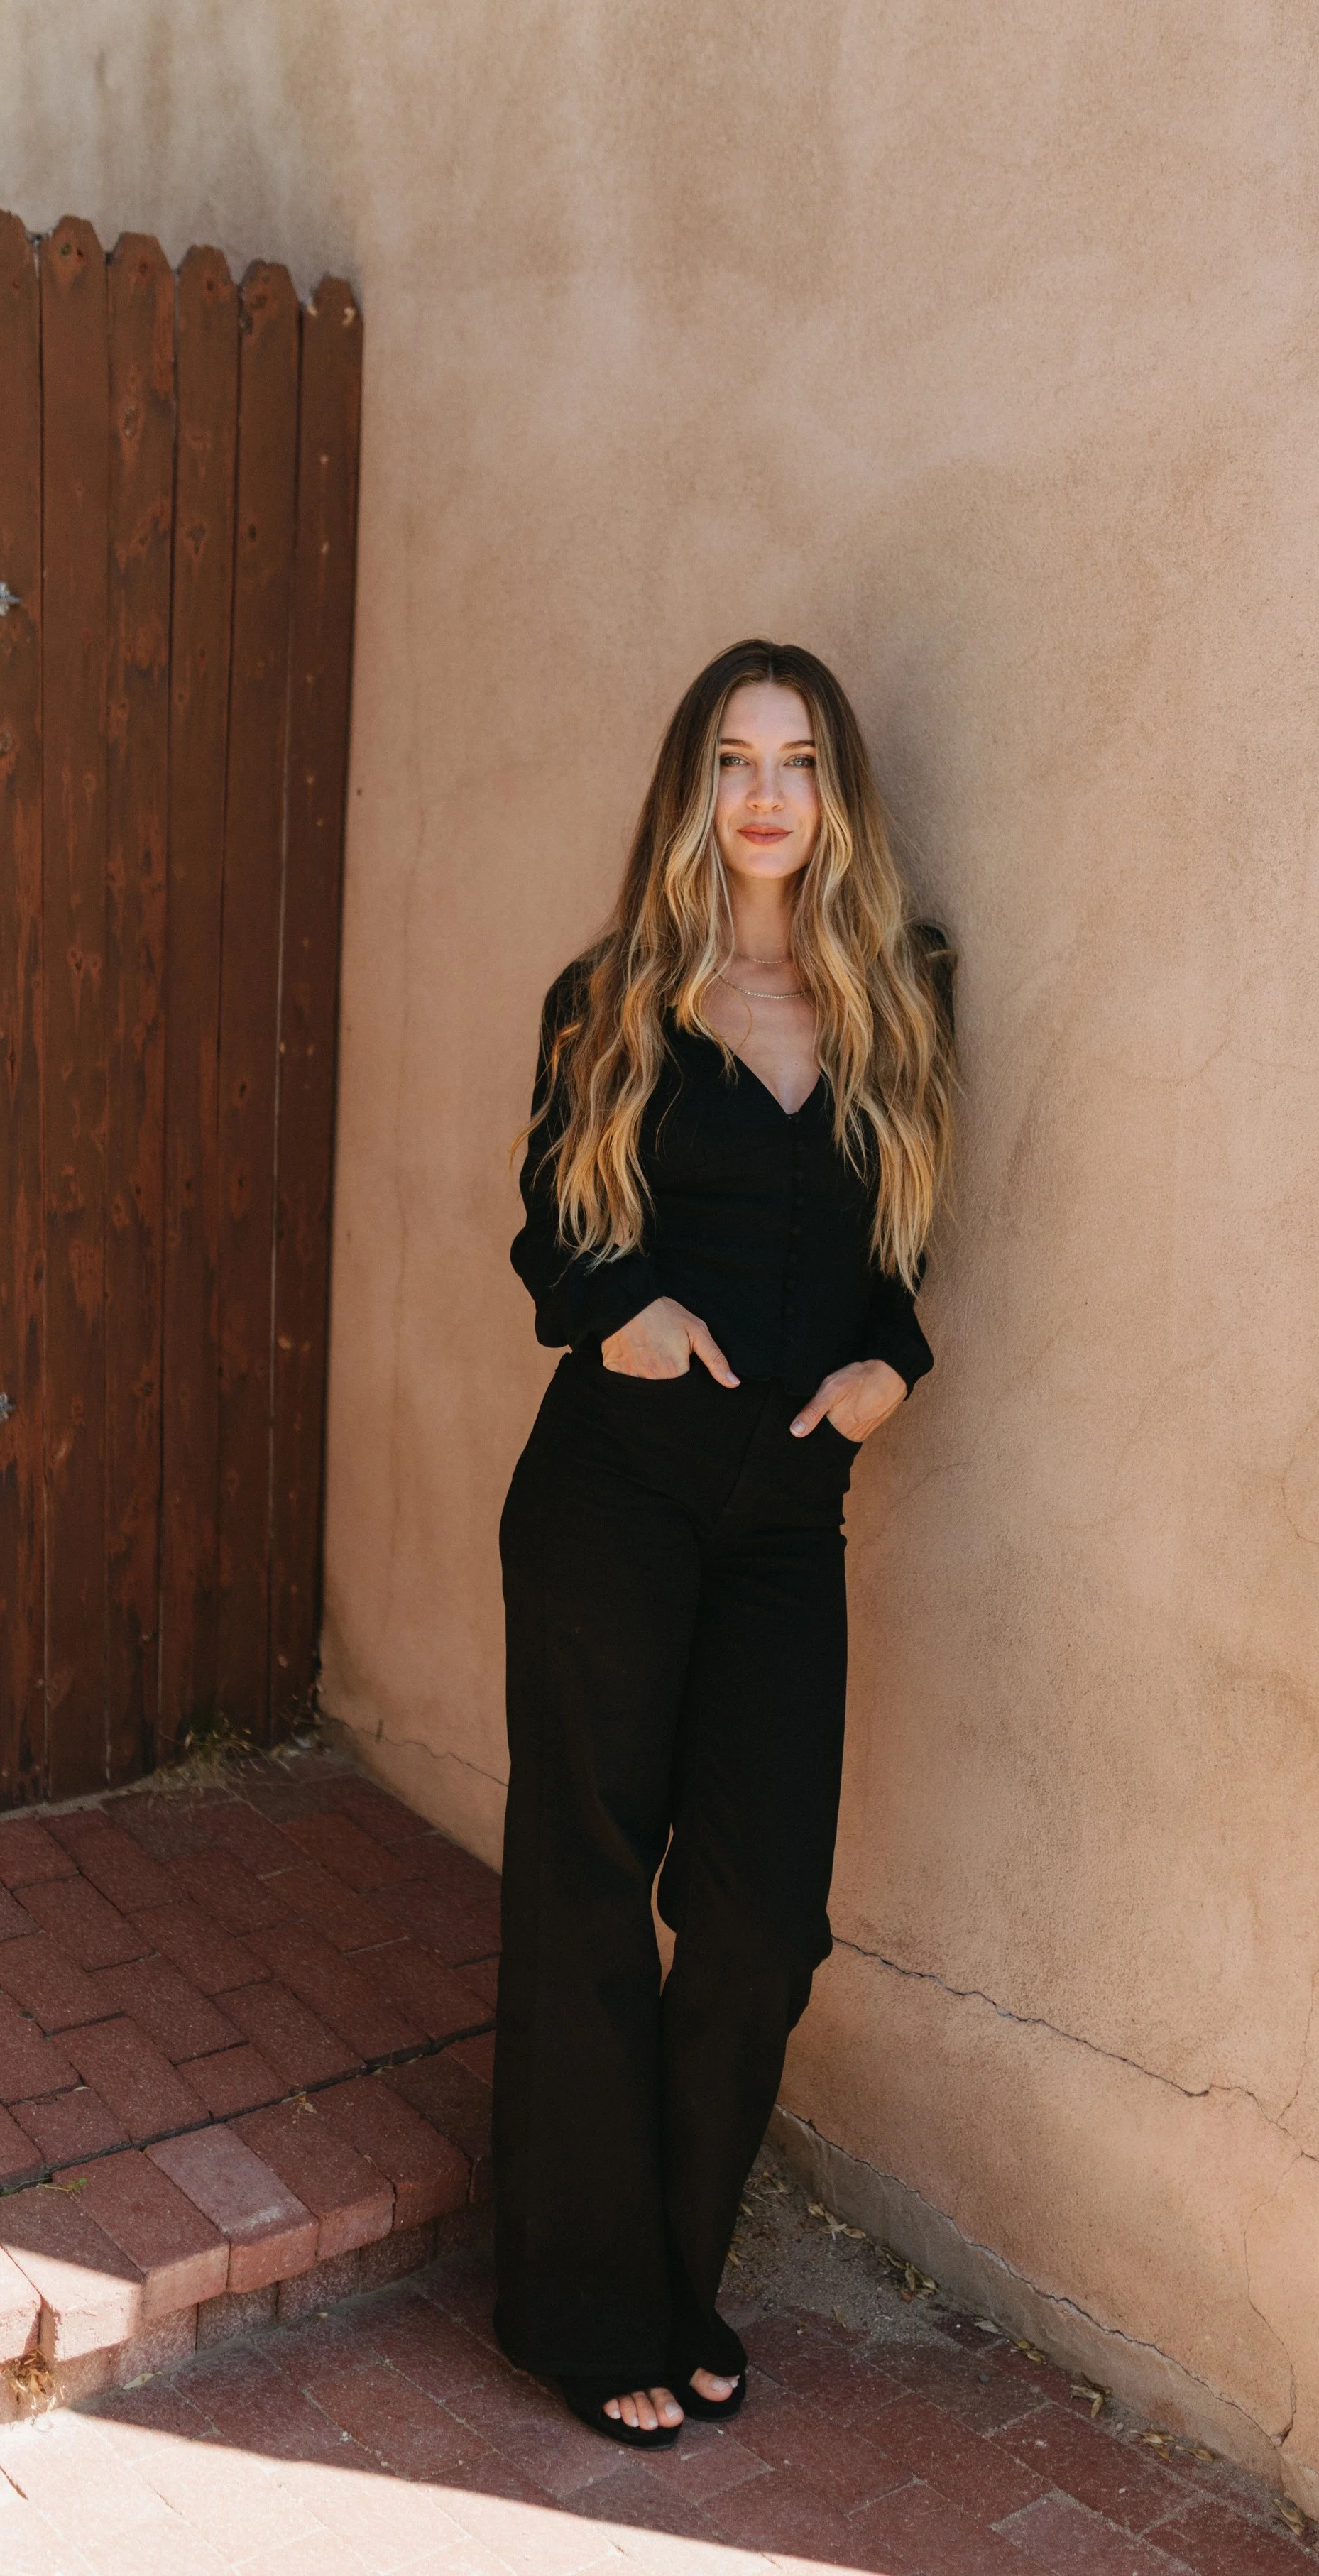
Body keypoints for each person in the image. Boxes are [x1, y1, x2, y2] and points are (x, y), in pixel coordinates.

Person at [493, 637, 955, 2448]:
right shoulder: (606, 997)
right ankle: (583, 2300)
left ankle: (679, 2273)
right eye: (733, 761)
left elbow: (902, 1263)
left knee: (758, 1920)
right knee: (589, 1887)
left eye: (799, 762)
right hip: (610, 1494)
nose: (765, 795)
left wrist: (885, 1376)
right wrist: (632, 1318)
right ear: (693, 794)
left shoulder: (901, 1003)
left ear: (835, 800)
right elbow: (550, 1239)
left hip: (783, 1523)